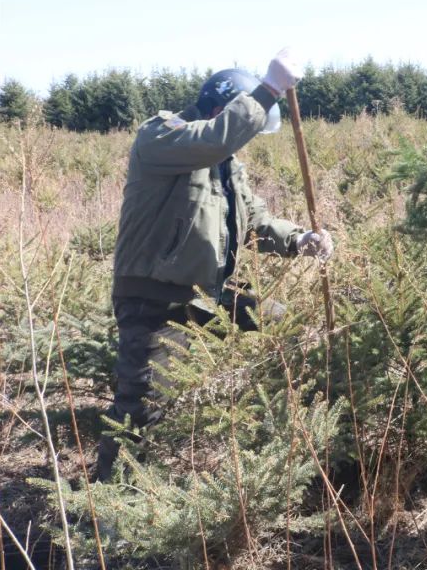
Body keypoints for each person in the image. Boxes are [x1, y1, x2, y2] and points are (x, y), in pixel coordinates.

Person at [95, 50, 335, 481]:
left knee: (287, 327)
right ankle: (109, 503)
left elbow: (255, 221)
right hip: (155, 297)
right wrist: (269, 90)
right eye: (243, 119)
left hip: (209, 295)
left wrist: (299, 239)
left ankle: (290, 443)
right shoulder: (162, 136)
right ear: (222, 108)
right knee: (141, 407)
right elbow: (215, 139)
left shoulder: (227, 168)